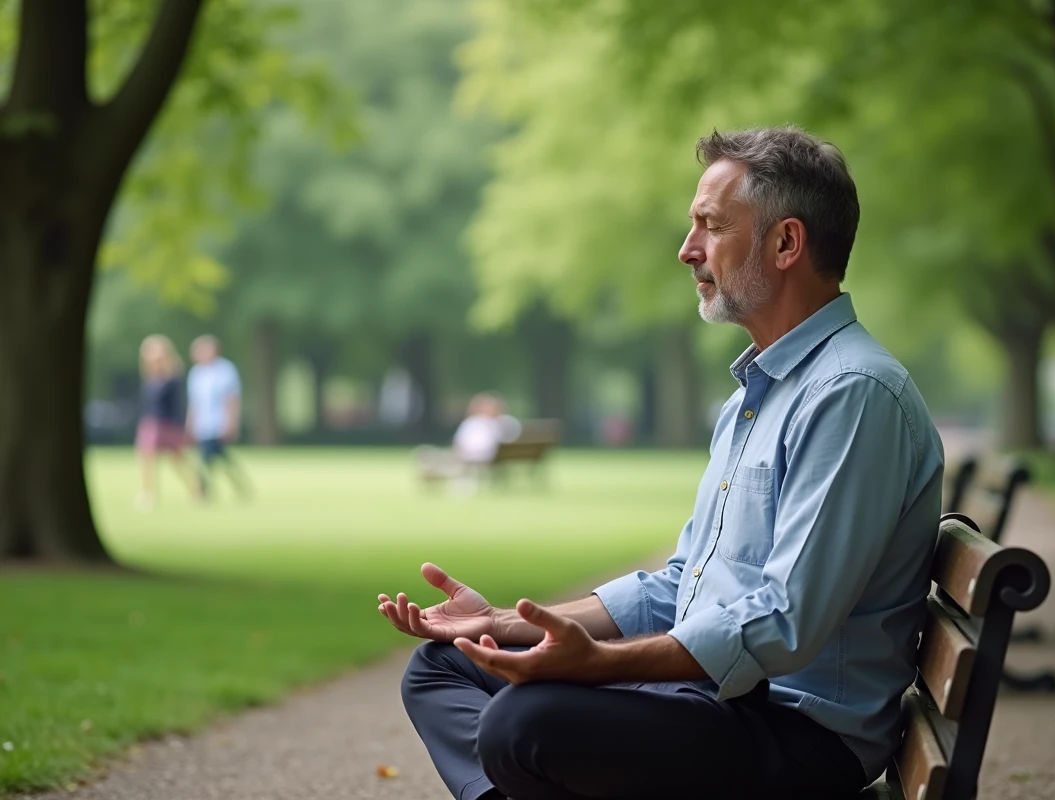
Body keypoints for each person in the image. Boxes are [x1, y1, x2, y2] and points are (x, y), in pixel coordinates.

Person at [380, 127, 944, 799]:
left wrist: (600, 667)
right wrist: (510, 624)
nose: (688, 250)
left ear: (786, 243)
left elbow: (785, 620)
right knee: (442, 668)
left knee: (523, 722)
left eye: (710, 226)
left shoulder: (853, 395)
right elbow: (683, 585)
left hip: (795, 735)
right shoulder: (757, 397)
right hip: (716, 702)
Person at [134, 335, 197, 510]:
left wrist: (182, 427)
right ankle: (148, 494)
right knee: (146, 458)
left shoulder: (172, 377)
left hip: (167, 424)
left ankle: (196, 488)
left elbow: (177, 405)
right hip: (150, 422)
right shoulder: (149, 377)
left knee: (177, 460)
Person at [186, 335, 250, 501]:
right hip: (203, 424)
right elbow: (195, 403)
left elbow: (231, 400)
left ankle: (204, 492)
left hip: (218, 423)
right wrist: (190, 424)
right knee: (215, 458)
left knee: (207, 459)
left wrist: (231, 423)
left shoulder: (226, 370)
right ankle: (236, 485)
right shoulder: (196, 373)